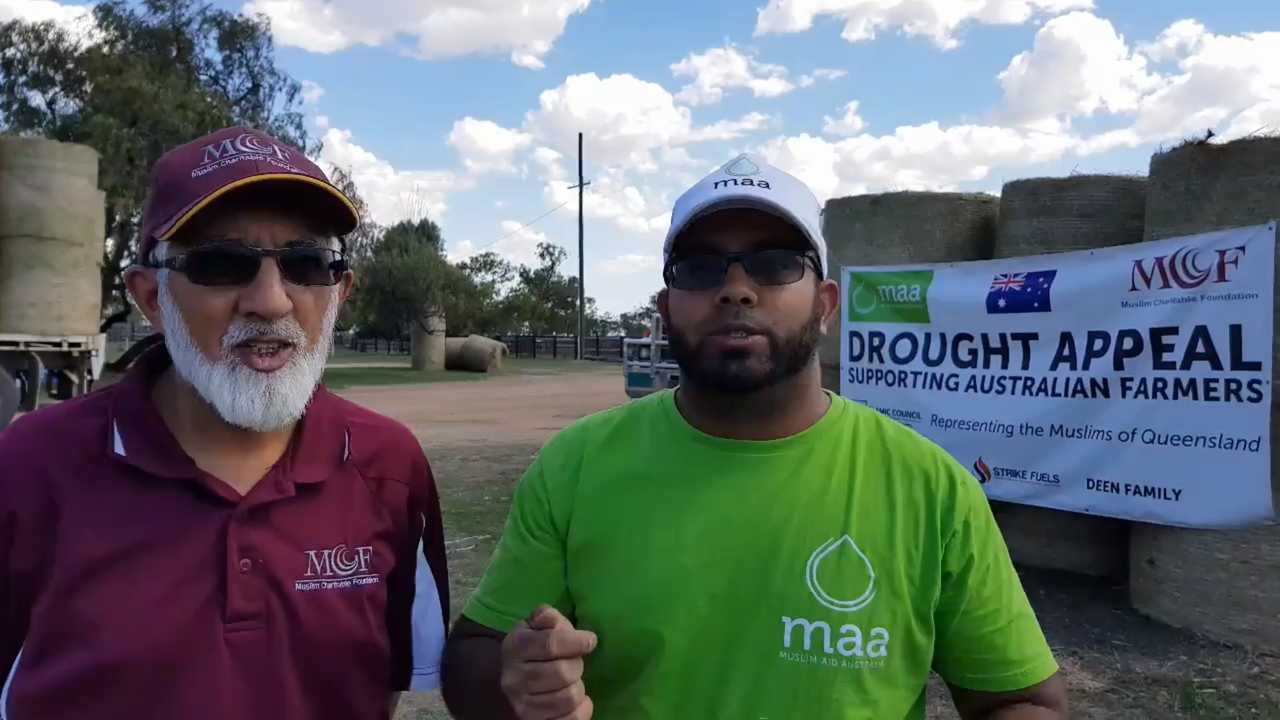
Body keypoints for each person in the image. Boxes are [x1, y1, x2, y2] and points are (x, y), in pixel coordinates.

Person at [440, 154, 1068, 719]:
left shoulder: (930, 485)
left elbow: (1020, 700)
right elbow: (473, 659)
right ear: (665, 309)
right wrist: (516, 681)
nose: (735, 288)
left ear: (825, 304)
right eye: (700, 267)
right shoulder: (575, 464)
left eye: (774, 264)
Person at [0, 126, 449, 719]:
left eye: (306, 263)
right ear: (151, 297)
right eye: (220, 264)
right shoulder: (31, 464)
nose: (271, 300)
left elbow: (387, 680)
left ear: (339, 292)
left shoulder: (388, 465)